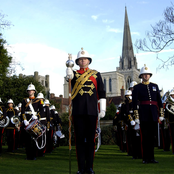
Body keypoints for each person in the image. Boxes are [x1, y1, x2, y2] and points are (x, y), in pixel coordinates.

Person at [66, 48, 106, 174]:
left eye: (85, 59)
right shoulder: (74, 74)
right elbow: (69, 78)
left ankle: (89, 167)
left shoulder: (96, 74)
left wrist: (102, 108)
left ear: (89, 61)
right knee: (79, 141)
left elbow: (102, 92)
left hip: (92, 112)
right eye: (81, 59)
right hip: (78, 112)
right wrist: (68, 68)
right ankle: (80, 168)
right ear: (78, 62)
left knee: (90, 141)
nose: (83, 61)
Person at [132, 64, 164, 164]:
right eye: (144, 74)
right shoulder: (137, 87)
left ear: (150, 75)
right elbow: (134, 103)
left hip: (154, 114)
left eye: (148, 74)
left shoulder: (155, 86)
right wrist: (136, 116)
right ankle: (145, 158)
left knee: (152, 137)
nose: (146, 76)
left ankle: (152, 158)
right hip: (143, 114)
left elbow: (159, 101)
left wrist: (161, 115)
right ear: (141, 76)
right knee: (145, 137)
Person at [21, 83, 44, 160]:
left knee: (34, 139)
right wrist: (24, 120)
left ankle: (34, 155)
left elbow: (41, 110)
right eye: (29, 90)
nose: (30, 92)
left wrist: (37, 115)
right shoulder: (24, 100)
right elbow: (22, 111)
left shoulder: (38, 101)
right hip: (27, 120)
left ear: (34, 91)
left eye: (31, 90)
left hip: (34, 120)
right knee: (27, 139)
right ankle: (28, 156)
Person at [165, 88, 174, 154]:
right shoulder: (168, 104)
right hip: (172, 121)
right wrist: (167, 121)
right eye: (172, 95)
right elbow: (166, 114)